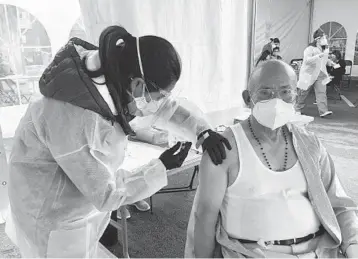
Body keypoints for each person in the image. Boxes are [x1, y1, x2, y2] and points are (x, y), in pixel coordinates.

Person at [5, 25, 231, 258]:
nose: (162, 101)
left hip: (78, 202)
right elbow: (106, 194)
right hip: (52, 213)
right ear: (138, 85)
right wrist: (160, 167)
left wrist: (202, 131)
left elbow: (167, 108)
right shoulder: (75, 116)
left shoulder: (112, 71)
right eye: (161, 94)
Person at [185, 60, 358, 258]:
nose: (277, 101)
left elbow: (339, 203)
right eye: (265, 92)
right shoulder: (226, 149)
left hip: (318, 251)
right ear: (248, 98)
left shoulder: (310, 144)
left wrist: (353, 246)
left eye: (286, 92)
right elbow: (205, 218)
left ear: (296, 96)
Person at [295, 29, 333, 117]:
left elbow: (324, 60)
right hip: (309, 73)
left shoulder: (325, 49)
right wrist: (317, 56)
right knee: (303, 91)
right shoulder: (309, 49)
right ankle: (297, 108)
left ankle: (323, 111)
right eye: (323, 37)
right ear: (317, 39)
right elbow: (307, 61)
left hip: (321, 73)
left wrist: (330, 62)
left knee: (322, 92)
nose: (325, 39)